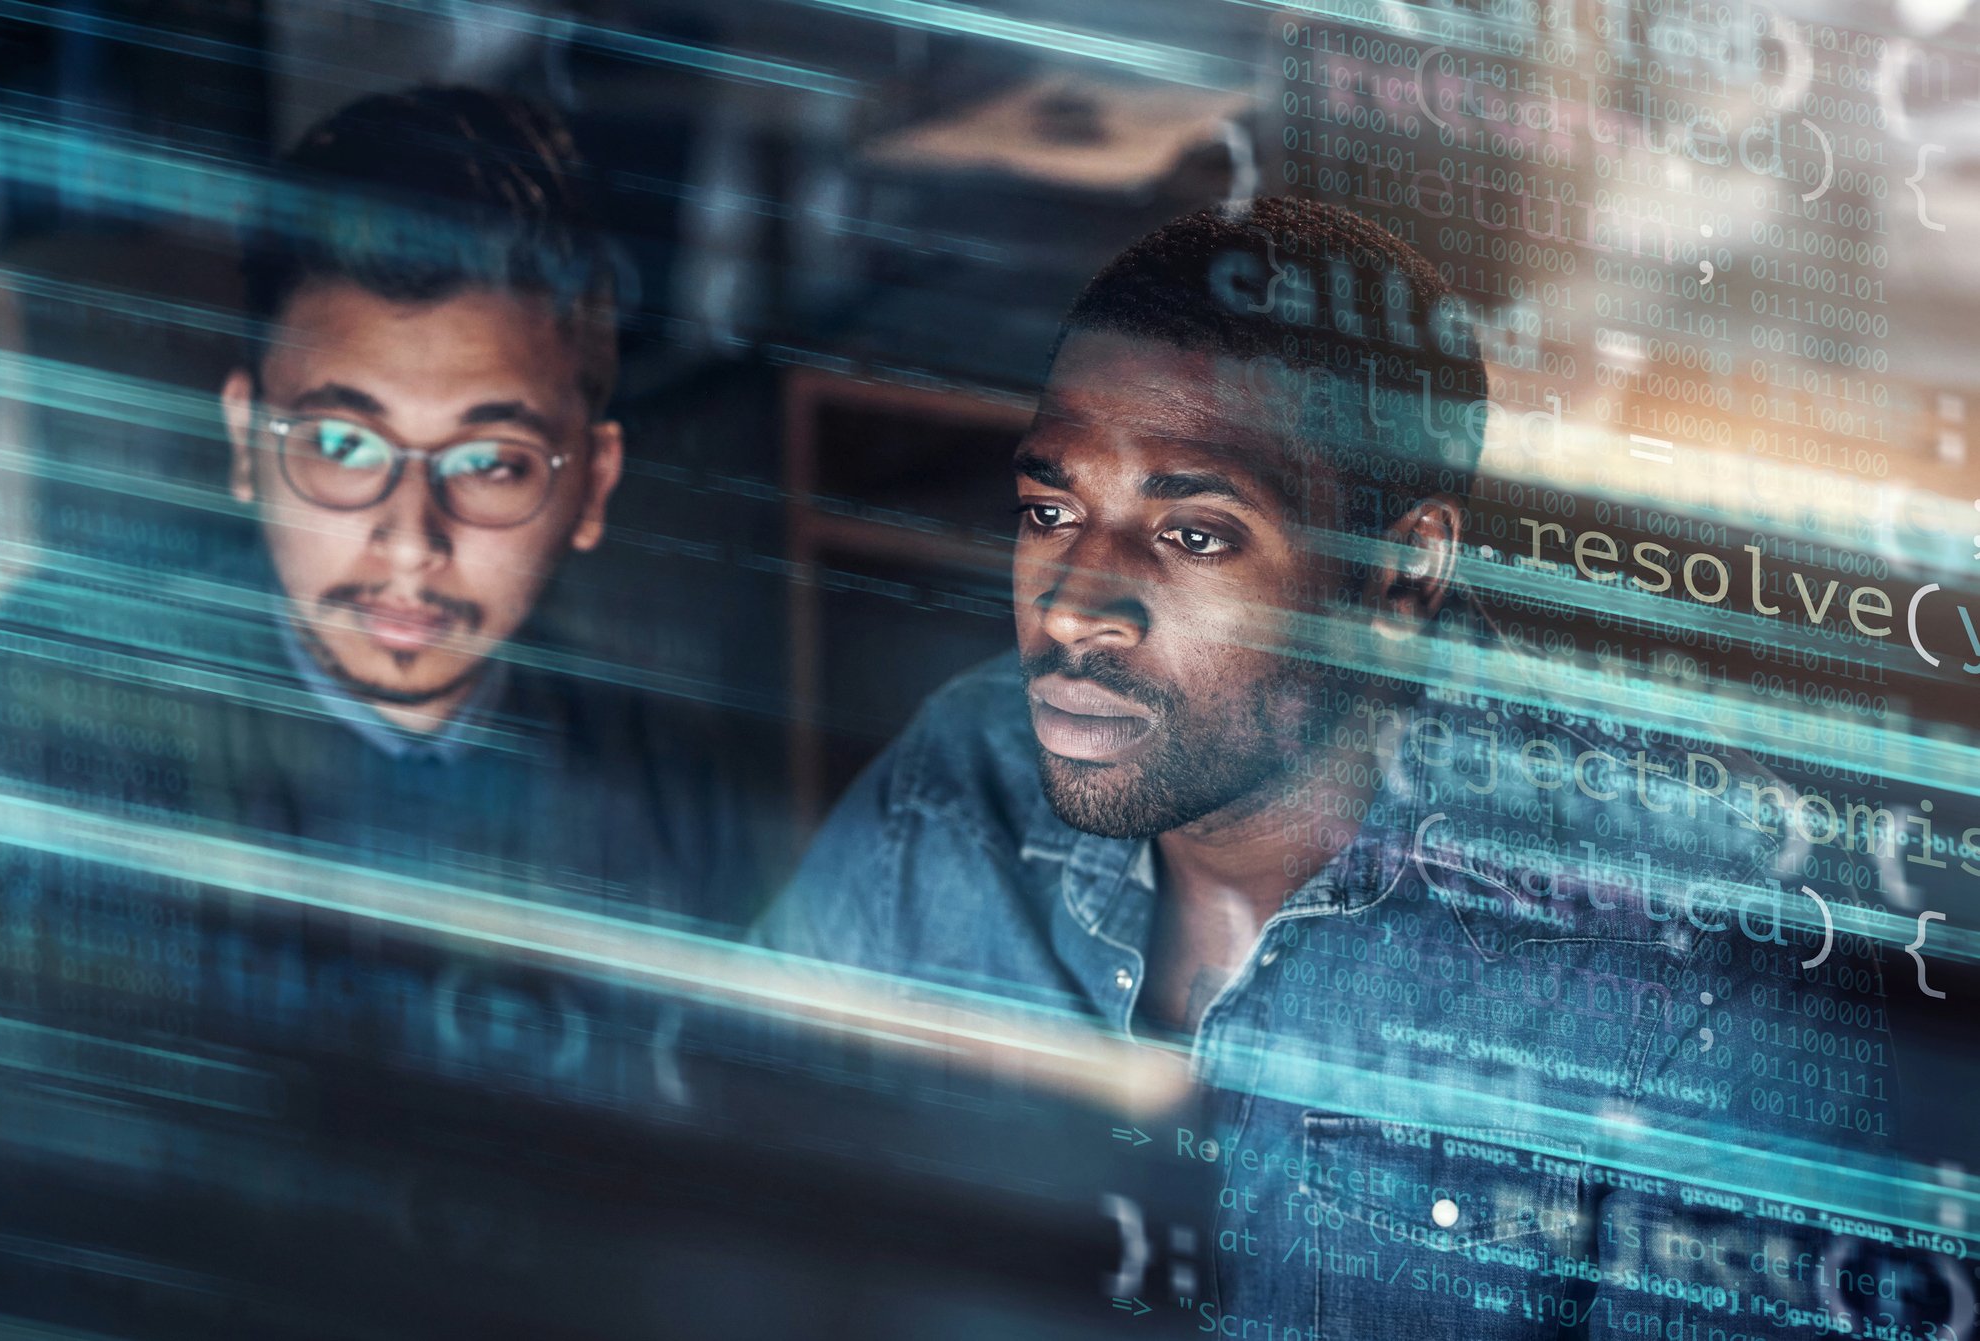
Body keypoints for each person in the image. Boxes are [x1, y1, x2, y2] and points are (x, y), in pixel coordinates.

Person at [758, 200, 1899, 1335]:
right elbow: (726, 1208)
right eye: (1050, 509)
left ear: (1399, 575)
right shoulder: (958, 782)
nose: (1070, 608)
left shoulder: (1696, 952)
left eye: (1193, 533)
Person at [0, 87, 775, 930]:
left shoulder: (671, 797)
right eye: (342, 445)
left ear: (591, 485)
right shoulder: (87, 708)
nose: (410, 543)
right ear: (247, 443)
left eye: (489, 463)